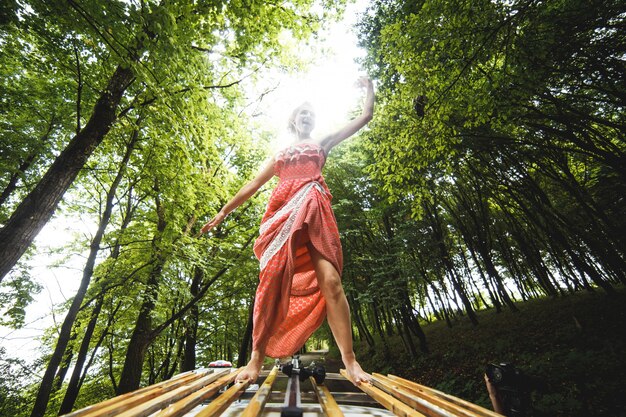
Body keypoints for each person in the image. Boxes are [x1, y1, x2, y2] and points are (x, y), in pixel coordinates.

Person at [200, 77, 375, 385]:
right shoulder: (280, 156)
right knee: (270, 281)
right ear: (294, 119)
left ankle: (351, 361)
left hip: (317, 211)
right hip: (283, 218)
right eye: (302, 112)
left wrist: (369, 90)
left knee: (331, 283)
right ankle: (256, 358)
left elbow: (364, 118)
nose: (307, 116)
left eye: (312, 113)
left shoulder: (321, 144)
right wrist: (223, 211)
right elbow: (253, 185)